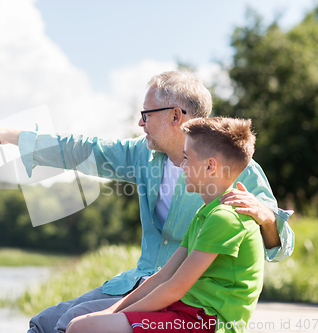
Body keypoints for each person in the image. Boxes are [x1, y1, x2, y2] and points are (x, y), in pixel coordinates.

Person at [0, 70, 294, 333]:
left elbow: (281, 247)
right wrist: (11, 136)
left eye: (146, 114)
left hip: (190, 300)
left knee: (72, 324)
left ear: (176, 116)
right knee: (44, 323)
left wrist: (267, 218)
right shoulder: (143, 155)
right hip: (141, 281)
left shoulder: (235, 168)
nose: (140, 123)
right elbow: (83, 150)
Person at [66, 117, 263, 333]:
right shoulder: (205, 214)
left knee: (83, 328)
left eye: (187, 158)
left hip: (206, 323)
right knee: (83, 323)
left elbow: (174, 288)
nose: (181, 165)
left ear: (209, 165)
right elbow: (162, 276)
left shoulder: (225, 218)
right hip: (186, 312)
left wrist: (117, 316)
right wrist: (110, 312)